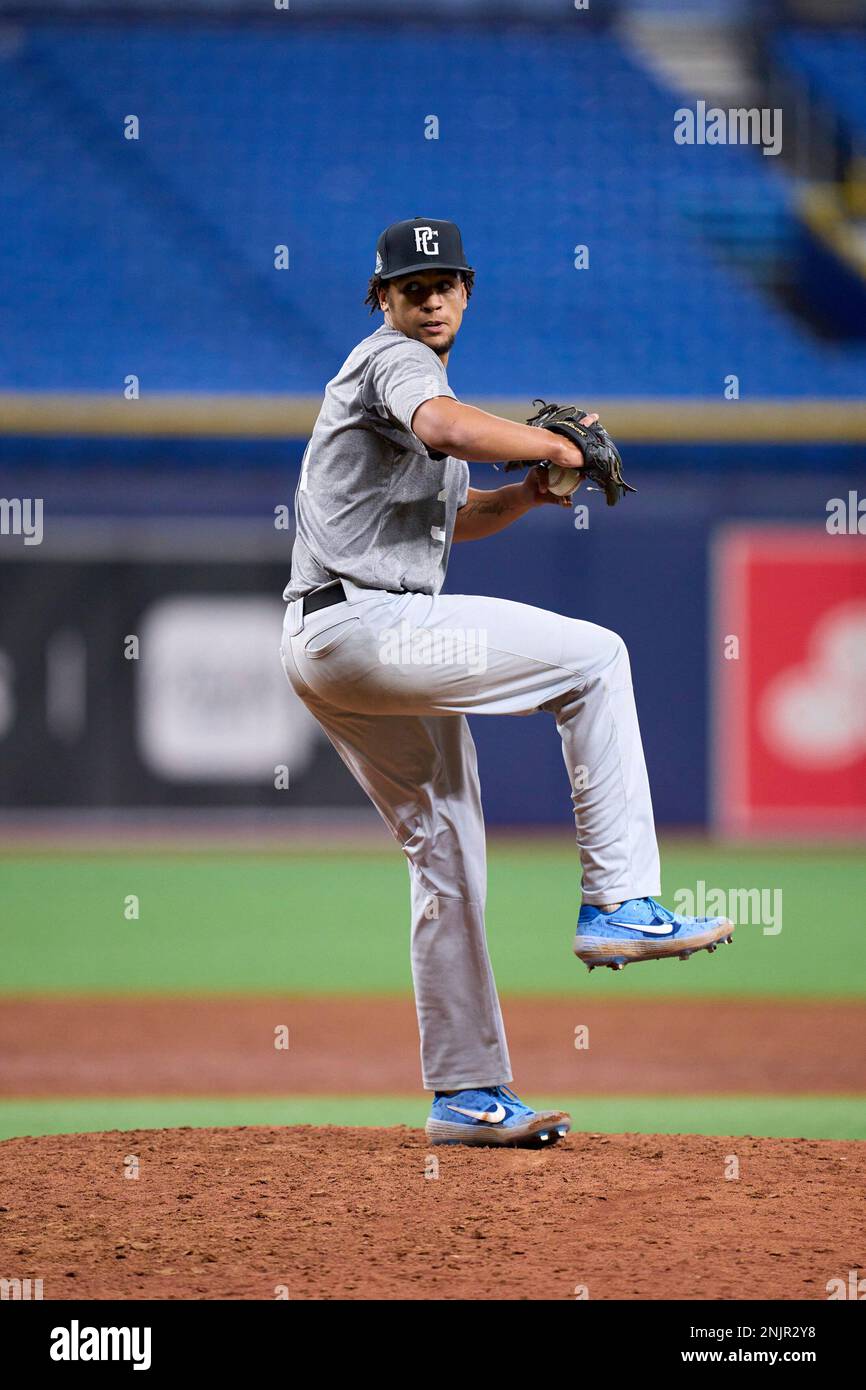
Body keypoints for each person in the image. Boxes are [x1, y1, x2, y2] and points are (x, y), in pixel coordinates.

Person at [281, 217, 732, 1148]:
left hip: (331, 642)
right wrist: (548, 445)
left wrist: (525, 493)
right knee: (596, 658)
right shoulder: (394, 364)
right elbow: (446, 428)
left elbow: (460, 516)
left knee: (444, 849)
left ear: (469, 290)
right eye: (413, 286)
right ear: (384, 299)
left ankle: (467, 1092)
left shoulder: (420, 385)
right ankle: (619, 902)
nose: (431, 298)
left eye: (447, 282)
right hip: (368, 625)